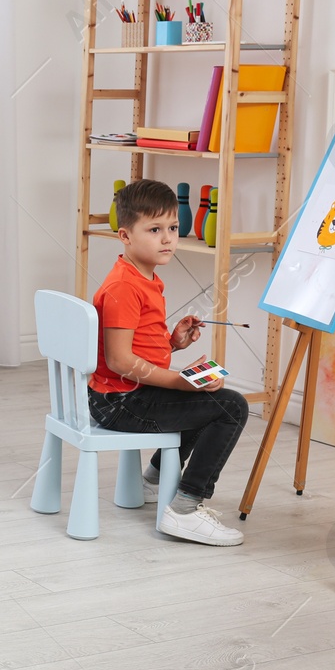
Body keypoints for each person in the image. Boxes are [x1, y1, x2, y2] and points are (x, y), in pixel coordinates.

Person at [87, 178, 249, 546]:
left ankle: (154, 479)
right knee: (231, 407)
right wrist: (180, 381)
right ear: (125, 236)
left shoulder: (143, 278)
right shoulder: (125, 287)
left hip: (120, 395)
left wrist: (171, 344)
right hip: (121, 402)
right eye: (154, 229)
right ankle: (186, 510)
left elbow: (134, 349)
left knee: (207, 404)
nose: (167, 239)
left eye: (173, 228)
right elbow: (119, 359)